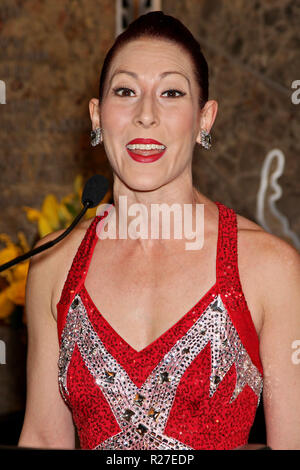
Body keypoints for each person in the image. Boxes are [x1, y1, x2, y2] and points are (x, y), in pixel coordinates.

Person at [18, 11, 300, 450]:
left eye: (171, 92)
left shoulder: (269, 266)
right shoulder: (53, 260)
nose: (145, 114)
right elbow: (41, 436)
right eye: (126, 91)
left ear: (204, 118)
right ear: (97, 115)